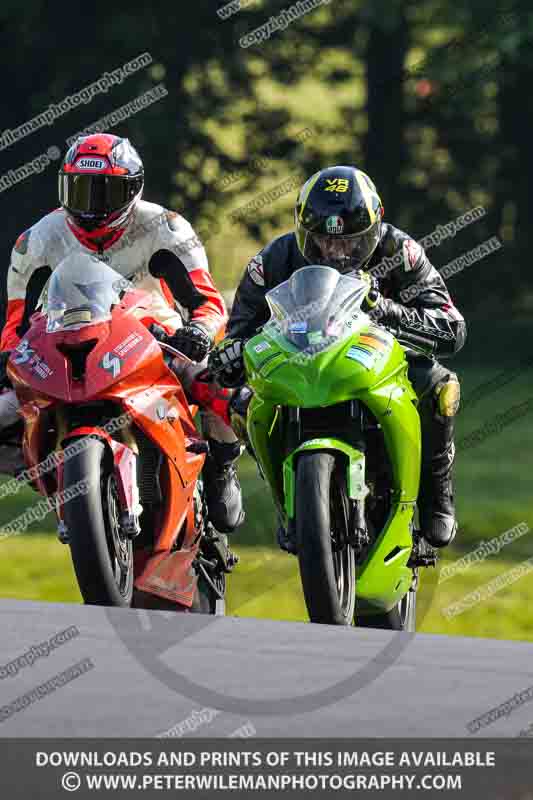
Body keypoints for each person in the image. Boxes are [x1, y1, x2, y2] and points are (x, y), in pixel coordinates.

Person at [208, 165, 467, 548]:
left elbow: (452, 326)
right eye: (322, 241)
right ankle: (284, 497)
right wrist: (230, 354)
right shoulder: (274, 260)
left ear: (374, 231)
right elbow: (240, 329)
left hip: (376, 357)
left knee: (441, 386)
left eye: (350, 242)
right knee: (242, 402)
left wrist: (389, 310)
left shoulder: (401, 251)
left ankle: (438, 491)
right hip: (299, 362)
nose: (335, 251)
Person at [0, 133, 243, 533]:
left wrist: (198, 331)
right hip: (65, 344)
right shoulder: (37, 241)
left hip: (152, 339)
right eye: (78, 189)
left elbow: (208, 303)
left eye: (104, 192)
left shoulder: (166, 228)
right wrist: (11, 355)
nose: (89, 206)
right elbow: (17, 322)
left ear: (131, 189)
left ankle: (221, 465)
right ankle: (51, 475)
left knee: (213, 374)